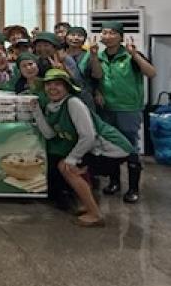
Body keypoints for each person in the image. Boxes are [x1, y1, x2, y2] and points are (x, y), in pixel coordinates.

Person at [31, 68, 134, 227]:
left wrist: (72, 159)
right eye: (49, 84)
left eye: (58, 84)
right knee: (72, 166)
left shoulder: (73, 103)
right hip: (93, 148)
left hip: (111, 148)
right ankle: (87, 204)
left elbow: (89, 136)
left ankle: (95, 214)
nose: (52, 88)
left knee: (66, 167)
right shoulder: (52, 106)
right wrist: (36, 111)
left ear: (67, 87)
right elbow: (49, 134)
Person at [96, 21, 156, 203]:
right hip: (106, 108)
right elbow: (95, 78)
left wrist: (134, 54)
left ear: (120, 37)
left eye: (112, 33)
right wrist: (97, 91)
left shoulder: (130, 55)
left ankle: (133, 188)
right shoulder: (98, 56)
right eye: (104, 32)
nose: (107, 36)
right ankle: (114, 182)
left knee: (130, 146)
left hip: (128, 108)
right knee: (111, 145)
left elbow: (151, 73)